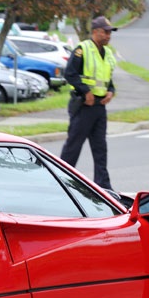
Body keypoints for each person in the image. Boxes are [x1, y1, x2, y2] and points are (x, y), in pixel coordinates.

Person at [59, 15, 118, 190]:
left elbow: (108, 79)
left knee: (100, 148)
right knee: (73, 147)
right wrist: (86, 91)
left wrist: (111, 92)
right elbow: (70, 73)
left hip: (100, 107)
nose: (108, 36)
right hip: (84, 106)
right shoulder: (82, 50)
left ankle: (104, 186)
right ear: (95, 32)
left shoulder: (107, 53)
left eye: (110, 33)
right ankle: (62, 181)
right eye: (105, 32)